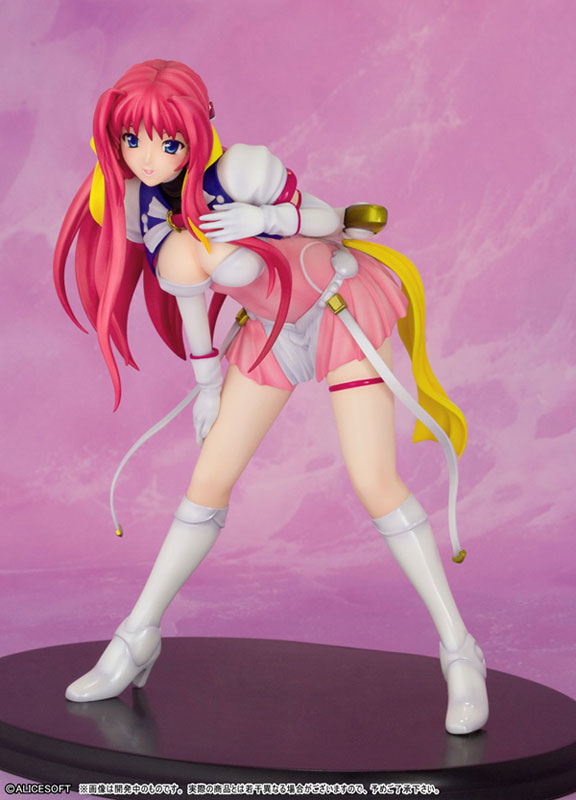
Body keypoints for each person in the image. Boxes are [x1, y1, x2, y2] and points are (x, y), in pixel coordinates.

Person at [54, 59, 488, 734]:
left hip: (338, 308)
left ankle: (461, 652)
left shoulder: (241, 169)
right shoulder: (143, 208)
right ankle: (137, 636)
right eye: (132, 140)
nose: (148, 157)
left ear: (196, 130)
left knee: (375, 482)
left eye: (167, 141)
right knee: (207, 483)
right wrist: (206, 387)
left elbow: (325, 217)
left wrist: (267, 215)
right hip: (269, 331)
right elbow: (189, 300)